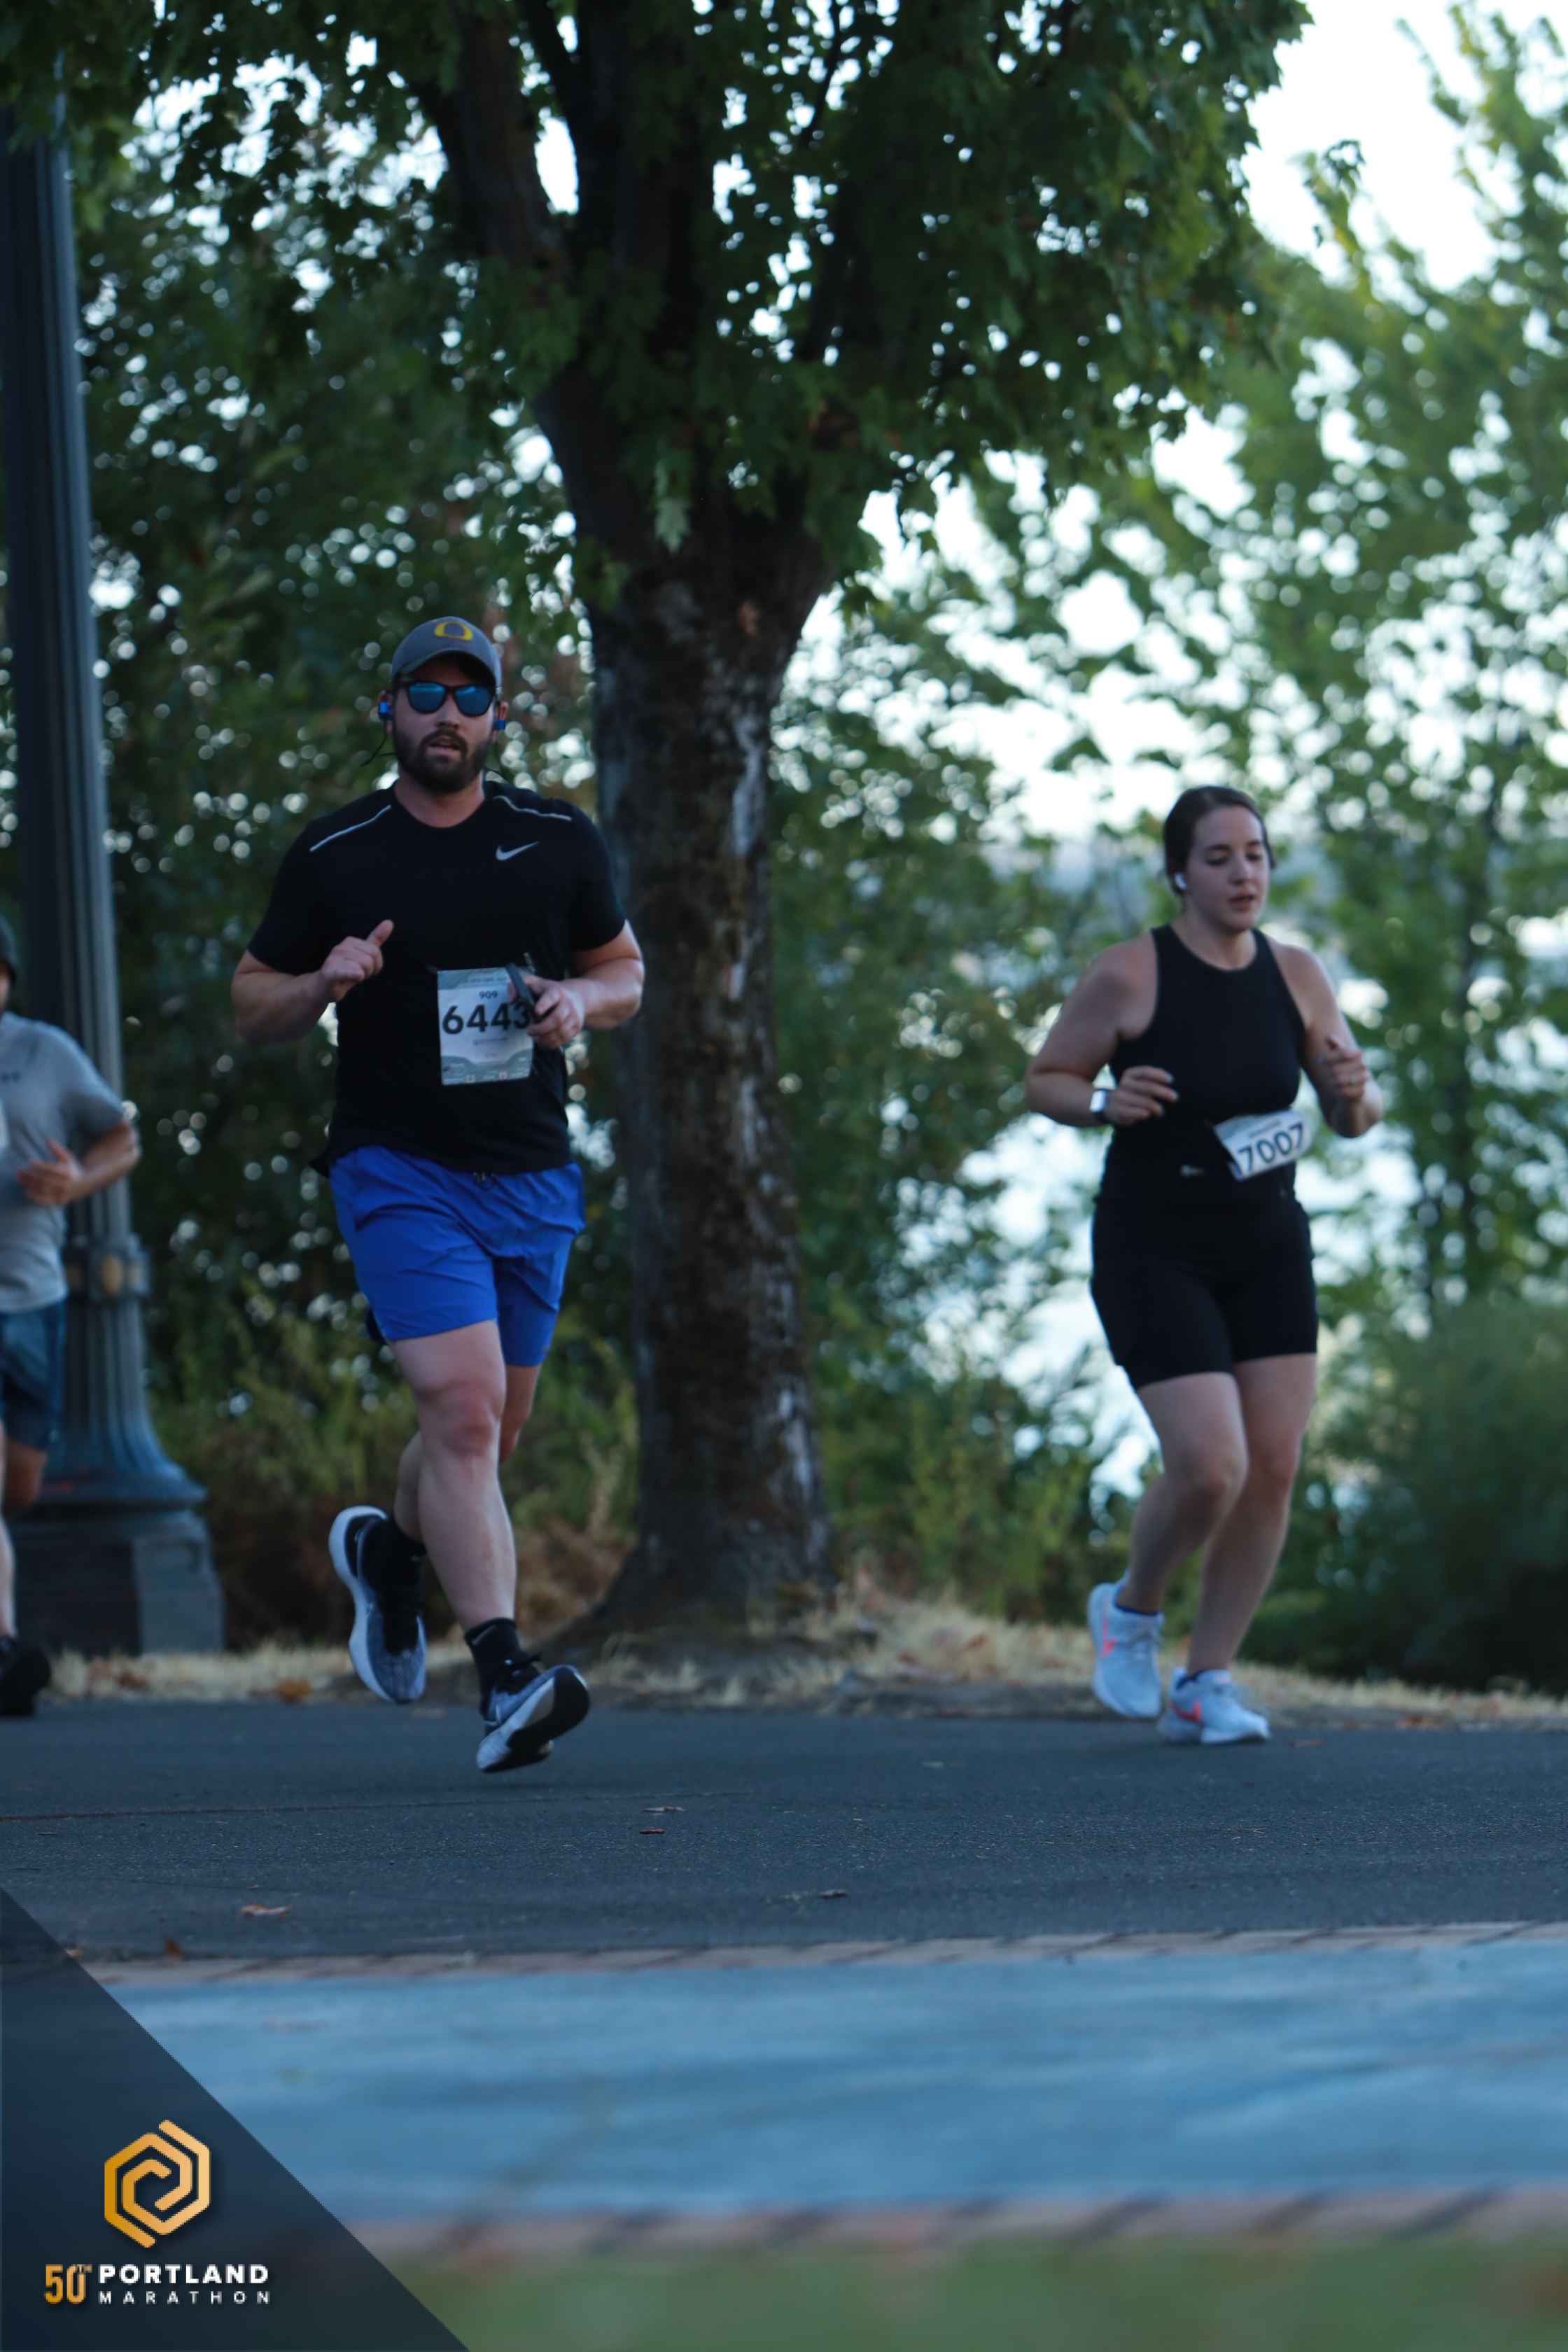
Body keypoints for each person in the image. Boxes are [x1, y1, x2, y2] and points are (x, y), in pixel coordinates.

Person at [232, 617, 644, 1772]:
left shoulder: (556, 838)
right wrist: (322, 981)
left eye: (472, 696)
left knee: (487, 1434)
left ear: (499, 717)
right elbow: (252, 1003)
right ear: (392, 709)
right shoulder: (338, 851)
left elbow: (624, 971)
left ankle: (392, 1558)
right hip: (398, 1167)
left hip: (531, 1172)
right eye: (427, 692)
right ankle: (506, 1676)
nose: (448, 714)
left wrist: (579, 1002)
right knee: (461, 1414)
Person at [1025, 786, 1382, 1746]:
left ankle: (1205, 1681)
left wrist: (1353, 1094)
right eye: (1218, 858)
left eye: (1255, 854)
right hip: (1155, 1243)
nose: (1242, 874)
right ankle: (1130, 1611)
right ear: (1179, 873)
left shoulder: (1297, 974)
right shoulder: (1130, 973)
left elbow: (1352, 1114)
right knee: (1211, 1465)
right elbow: (1045, 1079)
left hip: (1265, 1243)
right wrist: (1102, 1101)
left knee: (1272, 1468)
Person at [0, 917, 143, 1718]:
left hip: (33, 1295)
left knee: (18, 1487)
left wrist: (76, 1182)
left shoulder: (43, 1052)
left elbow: (121, 1138)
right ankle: (3, 1646)